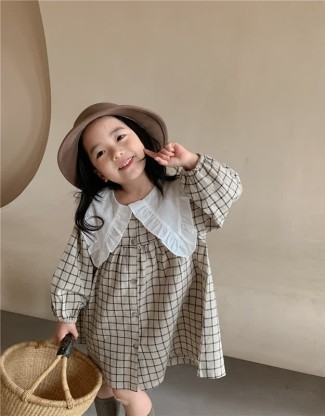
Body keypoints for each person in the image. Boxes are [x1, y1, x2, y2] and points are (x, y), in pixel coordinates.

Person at [51, 102, 242, 416]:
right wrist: (66, 314)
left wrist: (190, 161)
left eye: (121, 137)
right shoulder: (98, 210)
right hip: (107, 320)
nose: (116, 152)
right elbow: (77, 266)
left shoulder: (184, 194)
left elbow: (229, 190)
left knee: (123, 389)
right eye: (100, 152)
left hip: (159, 319)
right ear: (98, 172)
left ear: (141, 139)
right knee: (107, 383)